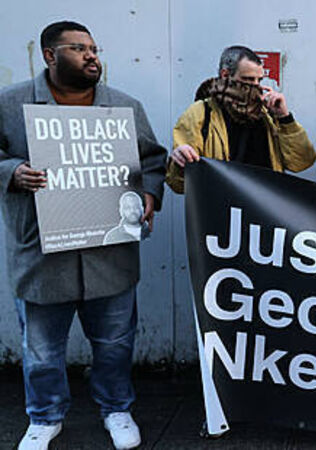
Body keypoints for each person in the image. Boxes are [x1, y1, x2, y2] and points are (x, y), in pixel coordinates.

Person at [0, 21, 166, 449]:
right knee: (41, 351)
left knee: (114, 343)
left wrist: (150, 193)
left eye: (94, 48)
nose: (92, 55)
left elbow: (153, 159)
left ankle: (117, 408)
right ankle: (45, 417)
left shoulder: (124, 106)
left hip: (109, 256)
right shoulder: (10, 103)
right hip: (42, 256)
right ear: (50, 55)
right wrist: (12, 172)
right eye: (78, 48)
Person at [167, 45, 316, 193]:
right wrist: (180, 164)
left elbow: (301, 162)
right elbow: (178, 184)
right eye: (248, 79)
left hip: (266, 203)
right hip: (222, 203)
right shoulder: (201, 113)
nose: (255, 86)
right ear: (225, 75)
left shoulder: (266, 114)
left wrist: (284, 118)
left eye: (259, 80)